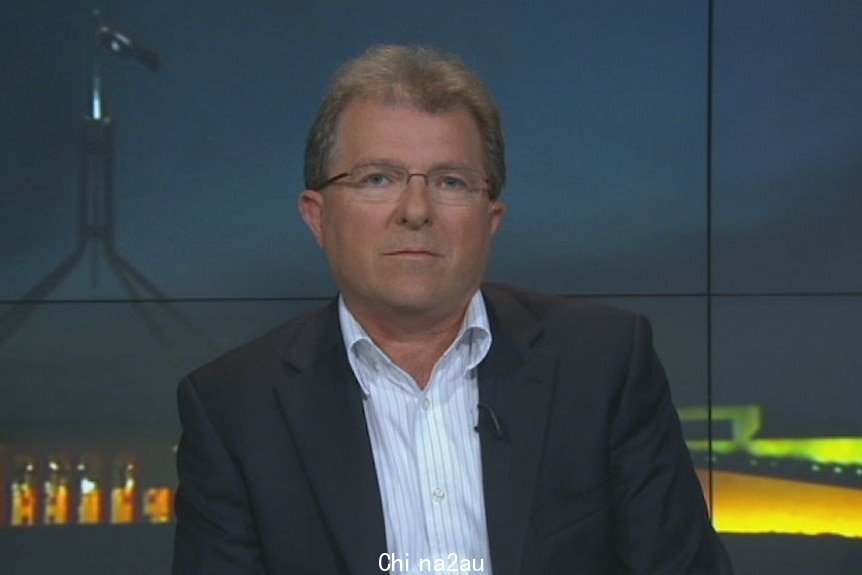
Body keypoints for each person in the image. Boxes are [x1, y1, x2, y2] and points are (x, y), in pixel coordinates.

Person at [172, 44, 732, 574]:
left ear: (491, 219)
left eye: (450, 181)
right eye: (378, 178)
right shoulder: (233, 409)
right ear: (317, 216)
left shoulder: (604, 363)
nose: (416, 210)